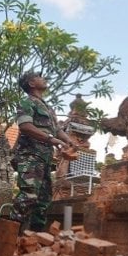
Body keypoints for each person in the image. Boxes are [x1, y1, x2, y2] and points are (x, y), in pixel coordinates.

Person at [9, 72, 76, 232]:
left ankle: (35, 240)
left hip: (44, 159)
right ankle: (8, 235)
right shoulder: (27, 102)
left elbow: (57, 129)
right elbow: (25, 126)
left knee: (43, 202)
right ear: (31, 84)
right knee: (29, 196)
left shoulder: (47, 108)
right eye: (39, 77)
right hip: (30, 156)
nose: (44, 79)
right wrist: (52, 140)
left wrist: (69, 140)